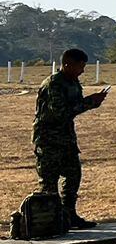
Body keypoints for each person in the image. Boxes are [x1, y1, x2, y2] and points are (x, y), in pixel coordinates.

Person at [33, 48, 109, 229]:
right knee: (49, 182)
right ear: (67, 65)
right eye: (80, 67)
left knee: (73, 175)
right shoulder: (54, 84)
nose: (82, 71)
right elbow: (61, 112)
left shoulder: (73, 82)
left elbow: (75, 106)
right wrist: (90, 102)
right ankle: (50, 220)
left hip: (66, 137)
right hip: (49, 139)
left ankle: (69, 215)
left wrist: (92, 102)